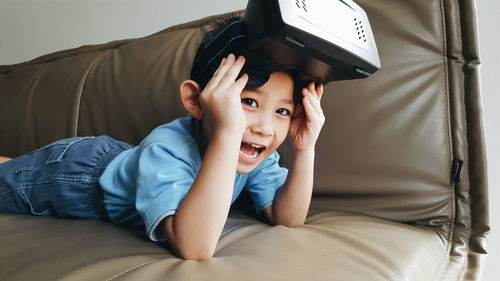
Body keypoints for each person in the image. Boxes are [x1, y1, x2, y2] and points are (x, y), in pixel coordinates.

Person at [0, 17, 325, 261]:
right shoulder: (169, 148)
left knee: (15, 167)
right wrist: (228, 132)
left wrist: (303, 148)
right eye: (249, 102)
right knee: (9, 182)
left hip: (129, 162)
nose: (266, 128)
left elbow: (288, 218)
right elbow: (194, 247)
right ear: (196, 102)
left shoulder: (255, 153)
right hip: (78, 172)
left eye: (283, 111)